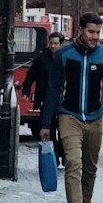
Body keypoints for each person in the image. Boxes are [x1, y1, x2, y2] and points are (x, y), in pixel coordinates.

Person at [41, 13, 103, 203]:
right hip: (69, 116)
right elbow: (53, 89)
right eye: (91, 32)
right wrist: (46, 123)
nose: (95, 37)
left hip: (95, 118)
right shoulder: (64, 54)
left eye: (98, 32)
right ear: (80, 30)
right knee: (73, 164)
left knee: (90, 169)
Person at [21, 31, 64, 164]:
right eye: (51, 43)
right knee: (49, 129)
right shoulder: (42, 57)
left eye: (56, 43)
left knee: (63, 130)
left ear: (60, 44)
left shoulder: (65, 57)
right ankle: (54, 158)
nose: (53, 46)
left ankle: (65, 155)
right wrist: (26, 92)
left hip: (62, 99)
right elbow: (31, 75)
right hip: (45, 96)